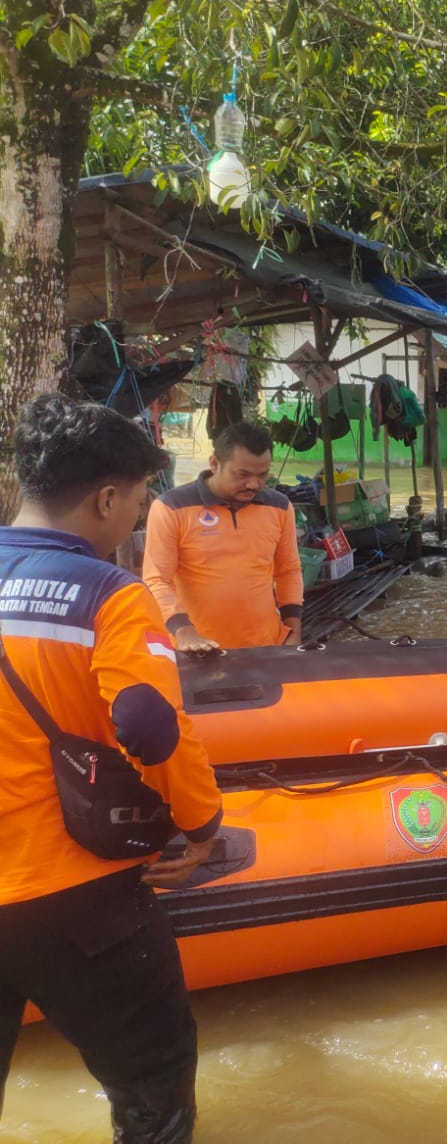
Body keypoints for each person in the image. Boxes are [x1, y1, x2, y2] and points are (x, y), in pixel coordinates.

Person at [0, 395, 223, 1144]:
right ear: (104, 497)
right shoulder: (110, 596)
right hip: (74, 896)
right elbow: (149, 724)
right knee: (150, 1083)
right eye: (136, 498)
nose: (135, 514)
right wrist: (201, 826)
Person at [142, 421, 303, 652]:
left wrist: (293, 629)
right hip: (197, 649)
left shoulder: (279, 506)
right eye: (242, 474)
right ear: (215, 464)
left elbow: (288, 570)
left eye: (263, 474)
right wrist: (183, 630)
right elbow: (157, 579)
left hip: (266, 646)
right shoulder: (171, 507)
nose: (254, 484)